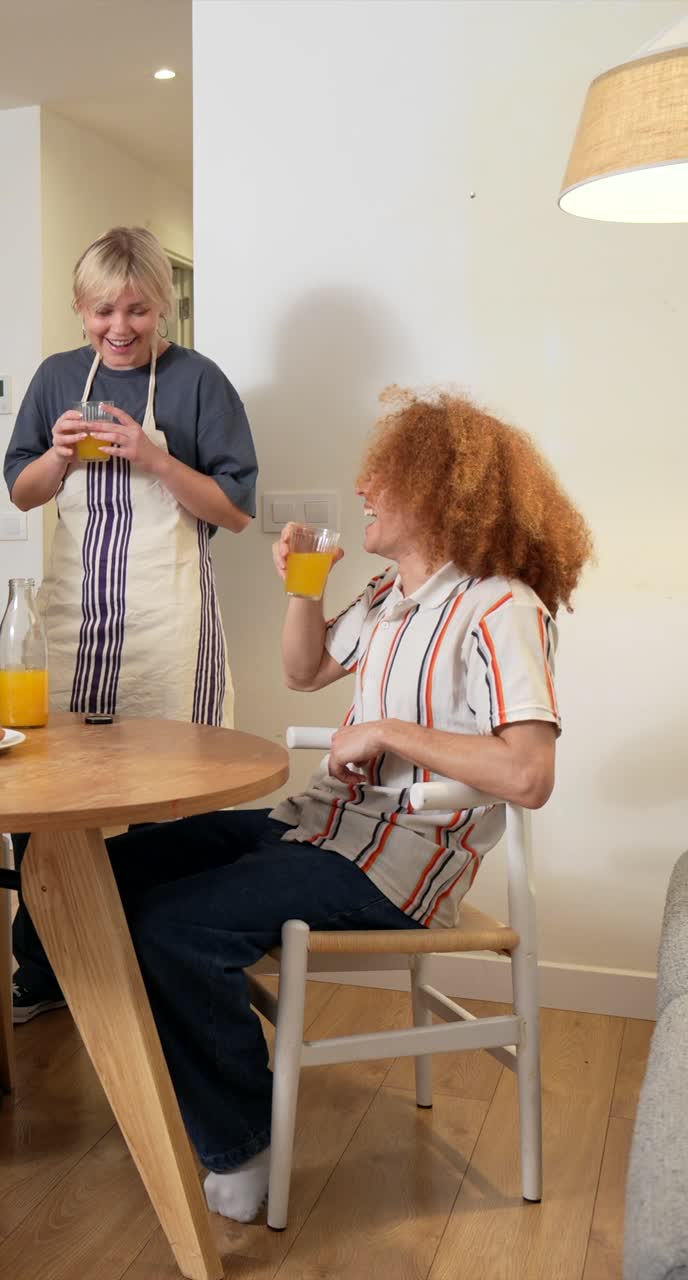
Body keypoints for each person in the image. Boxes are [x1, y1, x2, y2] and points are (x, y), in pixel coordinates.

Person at [96, 386, 593, 1226]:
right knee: (115, 867)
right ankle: (165, 1082)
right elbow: (305, 671)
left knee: (172, 926)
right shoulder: (391, 596)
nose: (364, 490)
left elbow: (529, 774)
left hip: (397, 867)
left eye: (383, 479)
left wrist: (391, 731)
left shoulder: (501, 606)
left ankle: (242, 1142)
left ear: (439, 493)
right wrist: (305, 584)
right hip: (322, 828)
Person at [3, 226, 258, 1022]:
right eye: (104, 310)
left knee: (168, 789)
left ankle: (159, 965)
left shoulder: (199, 383)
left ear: (164, 308)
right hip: (76, 611)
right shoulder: (54, 379)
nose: (120, 326)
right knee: (45, 788)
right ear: (80, 309)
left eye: (139, 309)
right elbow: (22, 491)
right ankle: (44, 968)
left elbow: (237, 511)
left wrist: (152, 457)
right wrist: (59, 457)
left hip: (162, 614)